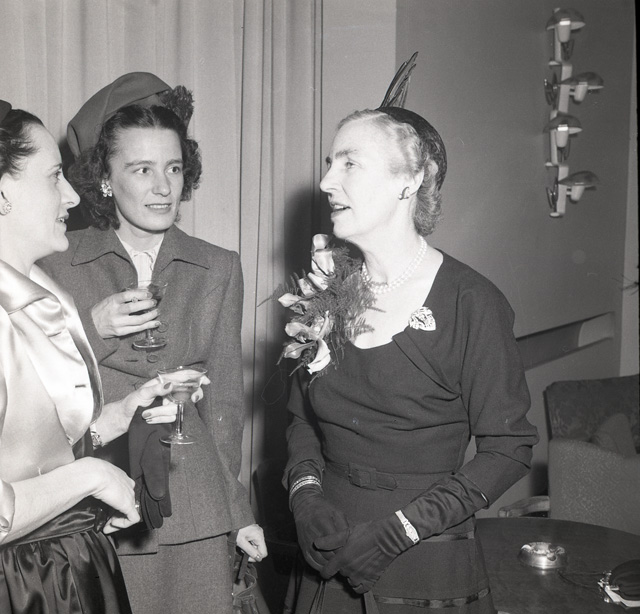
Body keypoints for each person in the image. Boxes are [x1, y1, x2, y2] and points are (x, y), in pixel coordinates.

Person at [282, 105, 539, 613]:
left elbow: (509, 449)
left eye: (349, 163)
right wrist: (305, 497)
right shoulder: (326, 294)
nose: (327, 181)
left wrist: (398, 531)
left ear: (410, 179)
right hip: (326, 554)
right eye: (330, 163)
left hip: (424, 560)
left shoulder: (471, 302)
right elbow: (301, 420)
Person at [39, 73, 267, 613]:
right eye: (142, 169)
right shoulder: (54, 263)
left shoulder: (218, 266)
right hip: (97, 506)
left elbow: (224, 405)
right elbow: (36, 395)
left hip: (197, 507)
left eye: (174, 168)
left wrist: (238, 513)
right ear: (104, 179)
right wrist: (91, 327)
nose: (164, 187)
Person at [0, 101, 184, 613]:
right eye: (53, 176)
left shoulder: (42, 294)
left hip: (65, 569)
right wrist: (92, 475)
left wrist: (112, 421)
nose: (72, 194)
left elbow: (25, 452)